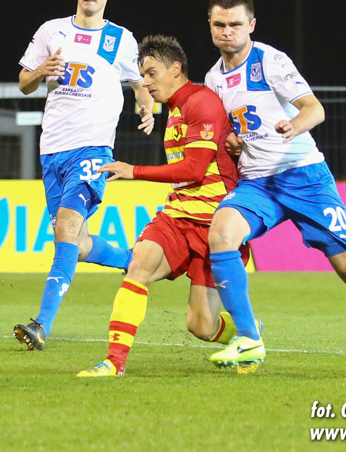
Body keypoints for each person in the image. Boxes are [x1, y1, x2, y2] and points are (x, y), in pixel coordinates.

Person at [203, 0, 346, 378]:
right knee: (221, 233)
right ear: (209, 24)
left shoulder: (271, 61)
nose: (227, 31)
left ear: (251, 24)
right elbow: (232, 131)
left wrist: (294, 125)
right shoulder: (213, 79)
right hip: (258, 182)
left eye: (235, 24)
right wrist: (233, 142)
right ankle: (248, 338)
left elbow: (315, 109)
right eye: (219, 24)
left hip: (304, 178)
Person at [77, 35, 259, 377]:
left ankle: (249, 334)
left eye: (151, 73)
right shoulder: (175, 110)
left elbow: (194, 169)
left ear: (176, 69)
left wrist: (134, 171)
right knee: (138, 266)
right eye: (142, 75)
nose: (146, 82)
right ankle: (114, 363)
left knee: (201, 326)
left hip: (216, 225)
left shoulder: (202, 102)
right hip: (177, 216)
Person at [13, 0, 154, 351]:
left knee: (65, 229)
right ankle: (133, 261)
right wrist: (41, 71)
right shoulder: (51, 31)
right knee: (79, 241)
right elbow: (24, 83)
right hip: (52, 150)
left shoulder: (121, 39)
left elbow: (138, 83)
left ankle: (41, 324)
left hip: (93, 149)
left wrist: (146, 106)